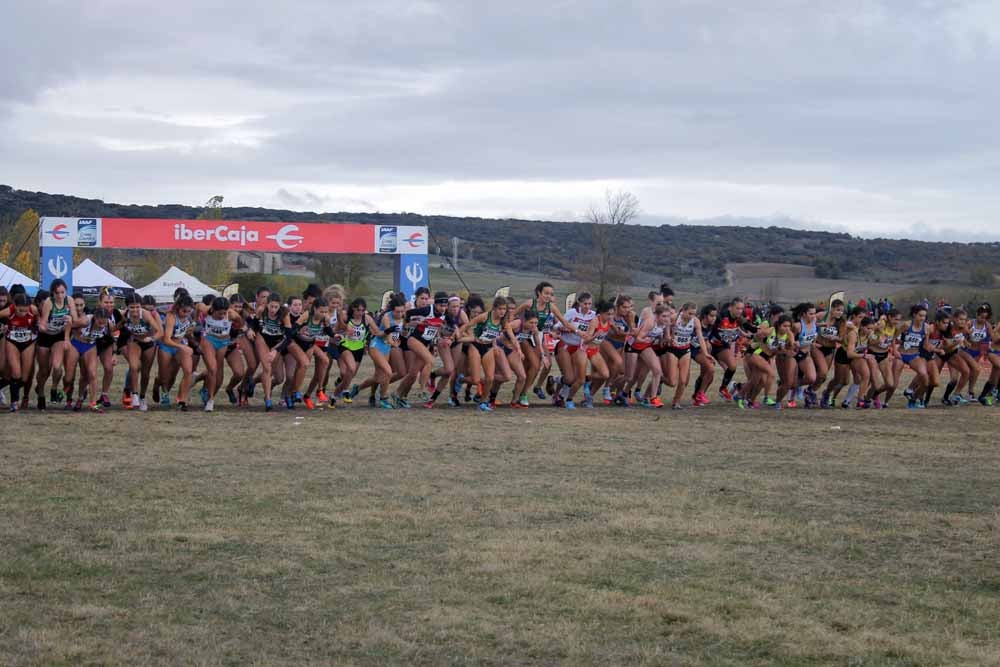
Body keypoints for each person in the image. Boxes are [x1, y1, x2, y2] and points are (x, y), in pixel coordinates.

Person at [35, 279, 81, 410]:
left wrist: (67, 336)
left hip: (59, 336)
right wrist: (42, 327)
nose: (60, 296)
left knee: (56, 366)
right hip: (45, 336)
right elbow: (43, 322)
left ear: (66, 292)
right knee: (44, 370)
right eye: (57, 293)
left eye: (62, 292)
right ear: (53, 293)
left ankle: (54, 387)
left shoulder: (69, 300)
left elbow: (75, 320)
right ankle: (41, 394)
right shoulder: (49, 302)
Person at [119, 293, 164, 411]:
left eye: (137, 307)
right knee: (134, 367)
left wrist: (152, 338)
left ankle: (143, 397)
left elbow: (160, 332)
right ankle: (134, 394)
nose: (135, 310)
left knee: (145, 372)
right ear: (127, 307)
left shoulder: (146, 315)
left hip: (148, 342)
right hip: (134, 341)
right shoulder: (124, 315)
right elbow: (115, 327)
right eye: (132, 307)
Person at [0, 291, 39, 412]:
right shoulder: (9, 311)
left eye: (25, 311)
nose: (23, 314)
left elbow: (42, 318)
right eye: (20, 311)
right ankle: (14, 402)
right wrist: (3, 326)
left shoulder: (34, 310)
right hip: (12, 341)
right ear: (15, 306)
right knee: (15, 373)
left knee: (24, 378)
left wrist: (38, 325)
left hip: (29, 342)